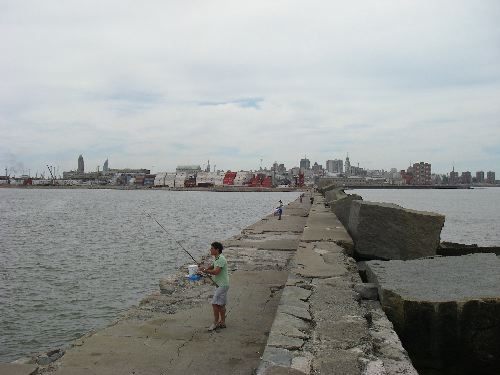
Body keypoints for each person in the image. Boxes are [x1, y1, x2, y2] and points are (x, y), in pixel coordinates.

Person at [198, 241, 229, 331]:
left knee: (214, 304)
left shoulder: (221, 259)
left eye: (212, 248)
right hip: (221, 285)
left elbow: (216, 272)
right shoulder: (217, 258)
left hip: (222, 285)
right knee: (221, 305)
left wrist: (205, 270)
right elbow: (213, 266)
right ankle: (222, 322)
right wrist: (205, 269)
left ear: (217, 249)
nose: (210, 250)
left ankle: (215, 323)